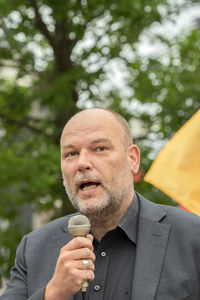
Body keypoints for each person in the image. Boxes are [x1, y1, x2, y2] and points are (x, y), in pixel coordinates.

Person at [1, 108, 200, 300]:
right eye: (71, 154)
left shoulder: (192, 236)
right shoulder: (34, 248)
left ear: (132, 159)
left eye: (100, 149)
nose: (82, 163)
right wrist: (53, 294)